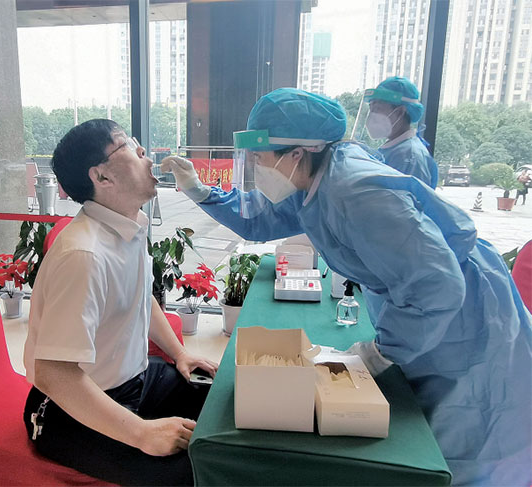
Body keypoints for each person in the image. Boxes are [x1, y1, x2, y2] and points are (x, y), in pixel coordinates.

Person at [162, 88, 532, 486]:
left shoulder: (357, 191)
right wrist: (200, 189)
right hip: (428, 295)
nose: (255, 165)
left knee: (470, 434)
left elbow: (436, 287)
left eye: (260, 156)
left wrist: (382, 353)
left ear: (296, 153)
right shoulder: (316, 177)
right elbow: (261, 218)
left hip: (466, 316)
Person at [23, 119, 218, 486]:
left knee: (222, 402)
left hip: (136, 381)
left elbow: (141, 297)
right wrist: (142, 433)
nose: (146, 155)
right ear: (102, 177)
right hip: (71, 408)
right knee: (194, 470)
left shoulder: (128, 226)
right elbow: (52, 373)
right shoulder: (84, 255)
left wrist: (180, 354)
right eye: (130, 146)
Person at [356, 76, 438, 188]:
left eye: (377, 109)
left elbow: (410, 198)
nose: (371, 116)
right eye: (371, 109)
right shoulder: (395, 149)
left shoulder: (410, 156)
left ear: (400, 112)